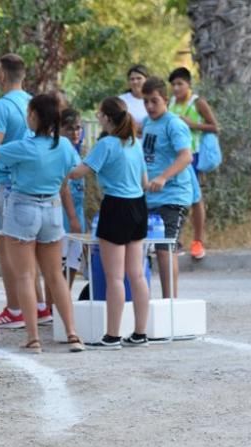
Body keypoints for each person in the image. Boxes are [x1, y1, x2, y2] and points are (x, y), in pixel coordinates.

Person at [0, 93, 87, 354]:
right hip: (53, 209)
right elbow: (75, 171)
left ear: (34, 116)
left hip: (23, 208)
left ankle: (34, 339)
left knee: (25, 275)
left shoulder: (24, 146)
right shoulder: (65, 146)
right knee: (56, 276)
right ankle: (73, 334)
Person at [68, 97, 150, 349]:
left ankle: (112, 334)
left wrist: (65, 159)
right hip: (138, 205)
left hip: (115, 206)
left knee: (114, 277)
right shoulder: (134, 143)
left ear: (106, 118)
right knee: (136, 275)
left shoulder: (106, 144)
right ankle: (140, 332)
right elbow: (145, 181)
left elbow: (77, 172)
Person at [0, 54, 47, 330]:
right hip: (29, 181)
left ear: (1, 74)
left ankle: (15, 309)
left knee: (8, 249)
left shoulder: (1, 106)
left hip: (5, 181)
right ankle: (38, 305)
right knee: (28, 250)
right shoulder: (32, 103)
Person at [141, 76, 193, 299]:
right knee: (144, 250)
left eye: (154, 101)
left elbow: (185, 156)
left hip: (173, 196)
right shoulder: (147, 123)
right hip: (149, 197)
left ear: (165, 99)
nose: (150, 107)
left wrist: (163, 177)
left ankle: (169, 303)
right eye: (146, 102)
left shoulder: (174, 124)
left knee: (165, 248)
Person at [169, 66, 220, 261]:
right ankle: (177, 239)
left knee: (195, 198)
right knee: (176, 198)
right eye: (173, 84)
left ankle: (198, 241)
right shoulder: (171, 102)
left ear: (188, 84)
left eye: (180, 84)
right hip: (175, 157)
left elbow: (215, 127)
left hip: (194, 155)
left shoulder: (198, 102)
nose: (176, 88)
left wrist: (193, 125)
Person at [59, 108, 86, 288]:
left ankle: (63, 302)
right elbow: (63, 187)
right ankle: (52, 306)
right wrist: (72, 218)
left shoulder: (75, 150)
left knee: (73, 262)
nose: (75, 133)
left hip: (78, 213)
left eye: (78, 128)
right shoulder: (61, 149)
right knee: (57, 266)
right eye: (70, 129)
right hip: (63, 216)